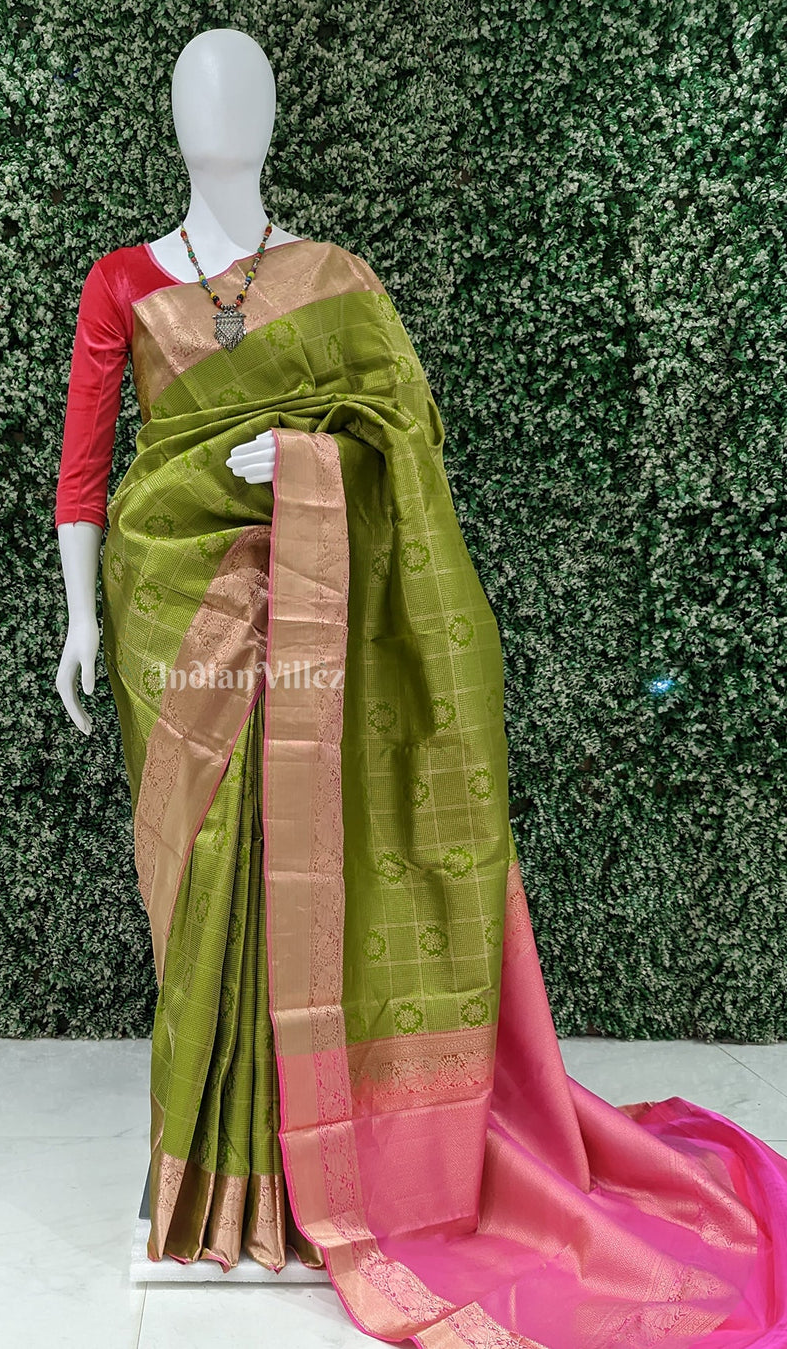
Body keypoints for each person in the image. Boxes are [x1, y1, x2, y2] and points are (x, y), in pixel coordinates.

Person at [54, 26, 787, 1348]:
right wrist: (77, 618)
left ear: (272, 117)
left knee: (313, 870)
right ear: (171, 117)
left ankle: (318, 1178)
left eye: (244, 92)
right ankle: (212, 1184)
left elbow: (407, 434)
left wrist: (308, 455)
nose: (223, 115)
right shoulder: (119, 282)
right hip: (176, 621)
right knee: (206, 889)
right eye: (200, 93)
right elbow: (87, 467)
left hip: (323, 616)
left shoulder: (336, 280)